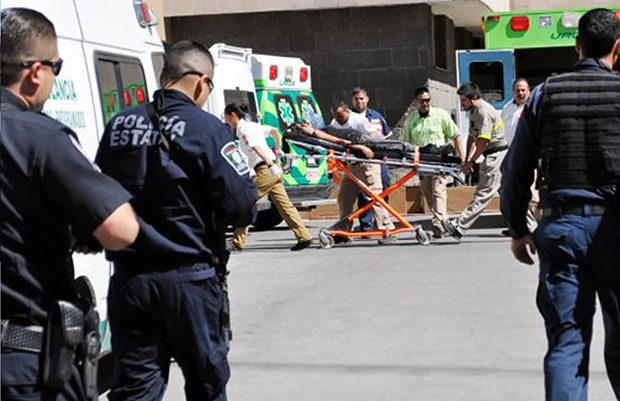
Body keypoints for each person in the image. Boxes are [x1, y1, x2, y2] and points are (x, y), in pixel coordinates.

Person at [95, 40, 257, 401]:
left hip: (131, 281)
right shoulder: (209, 129)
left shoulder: (120, 124)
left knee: (136, 389)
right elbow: (242, 205)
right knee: (206, 384)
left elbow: (97, 194)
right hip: (191, 281)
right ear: (201, 82)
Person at [1, 8, 140, 401]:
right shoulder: (39, 135)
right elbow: (121, 229)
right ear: (35, 72)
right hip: (23, 365)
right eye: (56, 66)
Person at [501, 8, 620, 400]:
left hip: (561, 230)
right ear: (617, 48)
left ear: (576, 45)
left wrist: (518, 229)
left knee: (568, 344)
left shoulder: (544, 95)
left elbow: (515, 169)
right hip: (615, 233)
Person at [300, 104, 396, 245]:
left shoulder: (360, 121)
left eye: (341, 116)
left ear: (348, 112)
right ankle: (344, 231)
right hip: (353, 163)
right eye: (336, 116)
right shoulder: (335, 123)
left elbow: (374, 137)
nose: (339, 119)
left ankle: (387, 229)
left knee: (374, 197)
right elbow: (335, 139)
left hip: (368, 163)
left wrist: (373, 148)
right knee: (344, 197)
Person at [224, 103, 313, 252]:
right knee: (285, 206)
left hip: (265, 169)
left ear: (233, 115)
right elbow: (274, 131)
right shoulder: (254, 125)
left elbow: (256, 147)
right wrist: (277, 149)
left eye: (227, 118)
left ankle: (237, 242)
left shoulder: (243, 129)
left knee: (247, 202)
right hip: (273, 168)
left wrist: (270, 163)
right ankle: (304, 236)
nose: (227, 122)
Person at [442, 82, 508, 241]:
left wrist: (472, 160)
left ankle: (459, 227)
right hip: (496, 156)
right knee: (511, 195)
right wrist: (465, 160)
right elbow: (472, 137)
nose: (462, 104)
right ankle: (530, 229)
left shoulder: (483, 111)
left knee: (483, 194)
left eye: (464, 100)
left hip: (496, 156)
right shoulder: (472, 112)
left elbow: (483, 141)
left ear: (475, 98)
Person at [402, 86, 464, 238]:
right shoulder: (411, 120)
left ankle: (439, 222)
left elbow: (455, 135)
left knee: (438, 190)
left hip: (438, 160)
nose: (425, 104)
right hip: (421, 161)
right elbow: (406, 144)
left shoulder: (441, 115)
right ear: (416, 102)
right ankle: (442, 219)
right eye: (422, 101)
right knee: (427, 192)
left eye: (428, 100)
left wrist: (463, 158)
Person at [351, 87, 392, 233]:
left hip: (379, 159)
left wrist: (387, 152)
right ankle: (366, 226)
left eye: (362, 98)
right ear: (353, 100)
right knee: (365, 192)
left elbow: (386, 136)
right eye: (357, 99)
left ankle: (381, 219)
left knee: (385, 185)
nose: (360, 101)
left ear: (367, 99)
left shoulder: (376, 116)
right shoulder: (350, 117)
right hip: (360, 160)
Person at [500, 78, 538, 236]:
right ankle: (518, 226)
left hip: (531, 154)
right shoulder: (508, 108)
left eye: (523, 90)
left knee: (531, 194)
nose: (521, 93)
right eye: (518, 90)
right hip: (512, 154)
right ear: (513, 91)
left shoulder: (534, 107)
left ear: (529, 91)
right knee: (510, 191)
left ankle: (537, 227)